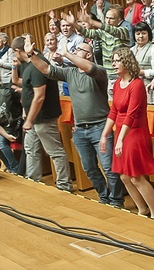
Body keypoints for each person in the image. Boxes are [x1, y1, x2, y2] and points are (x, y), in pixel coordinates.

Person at [25, 37, 125, 207]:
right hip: (80, 129)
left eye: (80, 50)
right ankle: (104, 196)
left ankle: (116, 201)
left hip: (100, 127)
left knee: (109, 168)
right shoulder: (69, 73)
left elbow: (88, 68)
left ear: (89, 55)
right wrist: (32, 54)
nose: (76, 51)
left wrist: (67, 54)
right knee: (89, 168)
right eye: (76, 49)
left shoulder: (98, 71)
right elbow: (46, 69)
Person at [99, 48, 154, 219]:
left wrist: (120, 140)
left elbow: (132, 115)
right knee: (124, 177)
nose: (114, 64)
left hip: (135, 133)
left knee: (136, 177)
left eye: (117, 60)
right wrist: (105, 135)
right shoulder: (118, 84)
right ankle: (142, 209)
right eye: (113, 60)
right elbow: (114, 112)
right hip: (122, 133)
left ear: (127, 61)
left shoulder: (137, 84)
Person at [10, 35, 71, 192]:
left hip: (43, 117)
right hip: (34, 118)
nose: (14, 56)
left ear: (17, 51)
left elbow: (39, 96)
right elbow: (22, 85)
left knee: (55, 152)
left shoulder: (38, 64)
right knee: (31, 150)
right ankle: (33, 182)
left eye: (14, 53)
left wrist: (29, 120)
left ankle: (64, 186)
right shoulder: (28, 65)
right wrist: (14, 67)